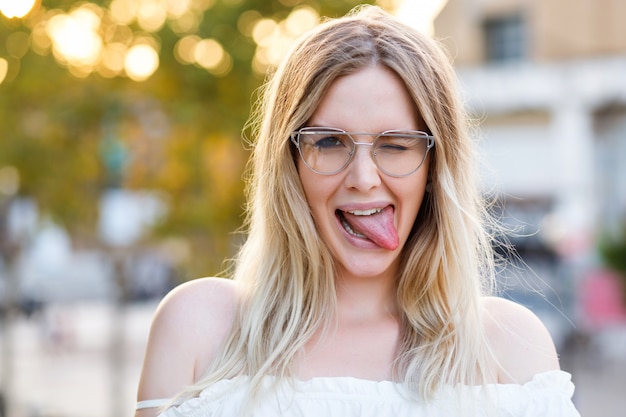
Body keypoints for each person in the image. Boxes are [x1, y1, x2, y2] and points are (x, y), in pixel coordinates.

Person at [135, 5, 580, 417]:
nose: (363, 178)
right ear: (288, 162)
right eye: (329, 142)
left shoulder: (510, 347)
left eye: (395, 144)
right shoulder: (198, 326)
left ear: (435, 167)